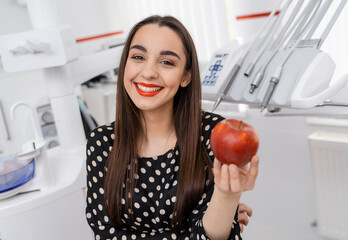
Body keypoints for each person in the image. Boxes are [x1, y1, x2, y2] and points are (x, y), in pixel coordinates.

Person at [85, 15, 259, 240]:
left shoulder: (213, 135)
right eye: (138, 57)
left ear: (186, 76)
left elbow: (215, 236)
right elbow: (106, 234)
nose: (148, 72)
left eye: (166, 62)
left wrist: (226, 198)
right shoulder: (101, 142)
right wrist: (201, 230)